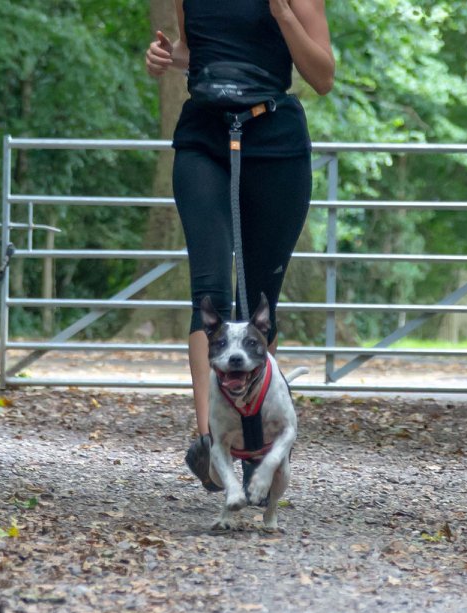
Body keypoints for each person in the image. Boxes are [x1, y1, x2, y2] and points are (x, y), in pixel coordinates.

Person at [145, 0, 334, 491]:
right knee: (208, 289)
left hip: (275, 140)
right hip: (204, 138)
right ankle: (213, 445)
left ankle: (255, 437)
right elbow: (199, 52)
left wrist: (283, 15)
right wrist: (169, 59)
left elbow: (322, 75)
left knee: (259, 301)